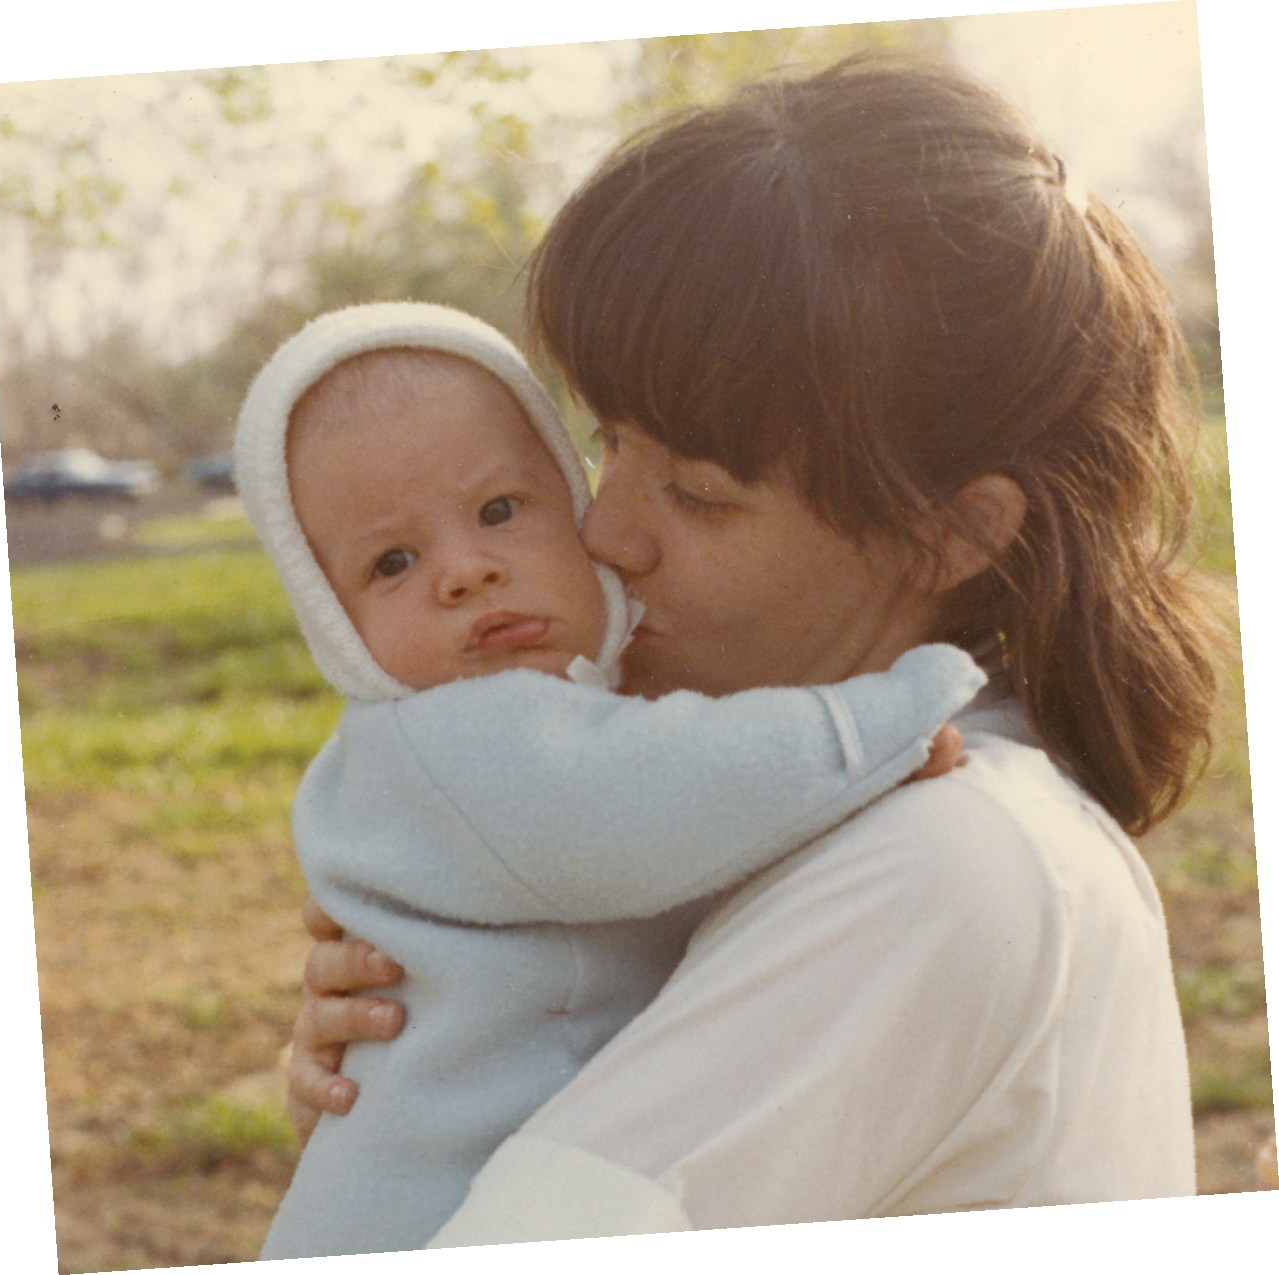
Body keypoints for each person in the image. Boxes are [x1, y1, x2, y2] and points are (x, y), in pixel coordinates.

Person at [287, 51, 1222, 1239]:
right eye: (605, 442)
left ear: (949, 535)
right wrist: (438, 1067)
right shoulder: (820, 825)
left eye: (697, 493)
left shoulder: (944, 860)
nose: (605, 531)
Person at [234, 301, 985, 1258]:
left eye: (501, 510)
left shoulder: (571, 711)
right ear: (331, 626)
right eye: (392, 562)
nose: (465, 571)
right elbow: (666, 797)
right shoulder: (466, 735)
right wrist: (878, 717)